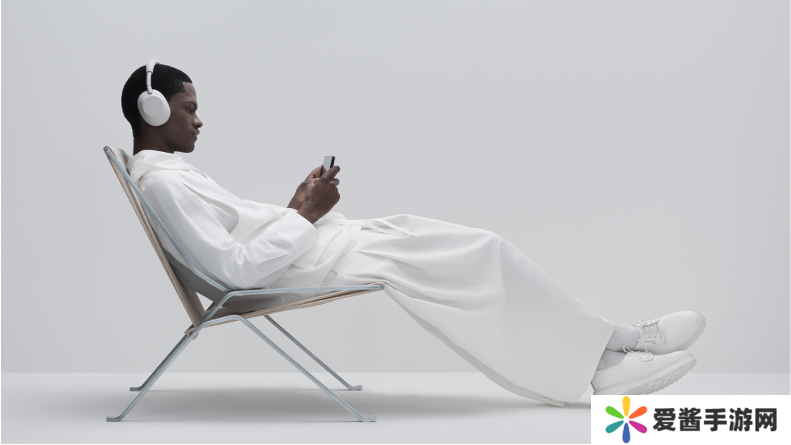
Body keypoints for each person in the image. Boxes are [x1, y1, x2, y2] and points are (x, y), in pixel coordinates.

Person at [120, 62, 706, 406]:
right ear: (153, 112)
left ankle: (608, 345)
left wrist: (299, 206)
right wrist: (303, 217)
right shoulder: (164, 183)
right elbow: (235, 273)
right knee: (479, 258)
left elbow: (239, 242)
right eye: (188, 108)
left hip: (312, 249)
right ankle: (602, 362)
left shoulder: (171, 173)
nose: (199, 118)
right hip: (306, 262)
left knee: (473, 250)